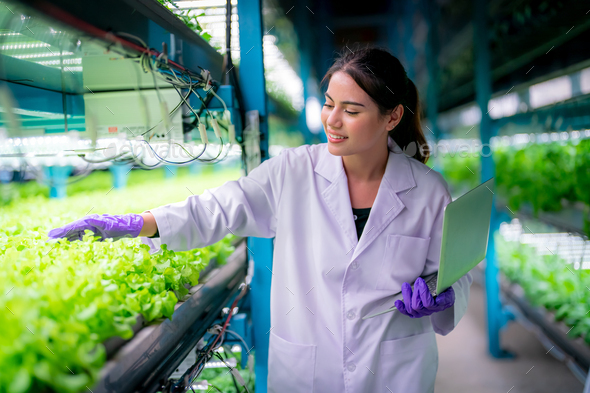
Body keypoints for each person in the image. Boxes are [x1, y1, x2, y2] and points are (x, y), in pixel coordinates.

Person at [49, 44, 472, 393]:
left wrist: (442, 293)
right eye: (328, 104)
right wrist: (138, 224)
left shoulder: (428, 190)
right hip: (309, 372)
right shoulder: (293, 171)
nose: (332, 121)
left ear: (392, 117)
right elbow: (219, 207)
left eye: (352, 110)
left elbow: (454, 273)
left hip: (395, 372)